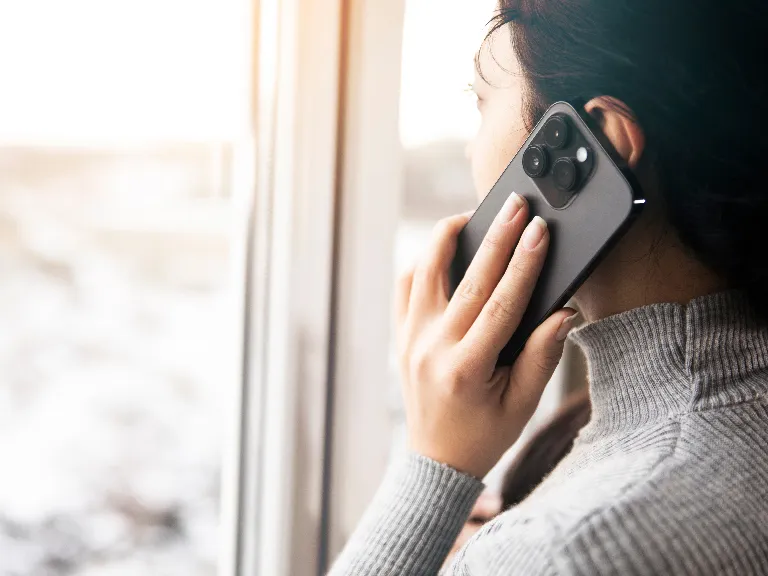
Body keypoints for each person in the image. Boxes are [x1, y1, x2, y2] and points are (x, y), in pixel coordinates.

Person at [329, 1, 768, 574]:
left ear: (602, 140)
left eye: (482, 103)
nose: (470, 150)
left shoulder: (562, 549)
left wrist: (432, 468)